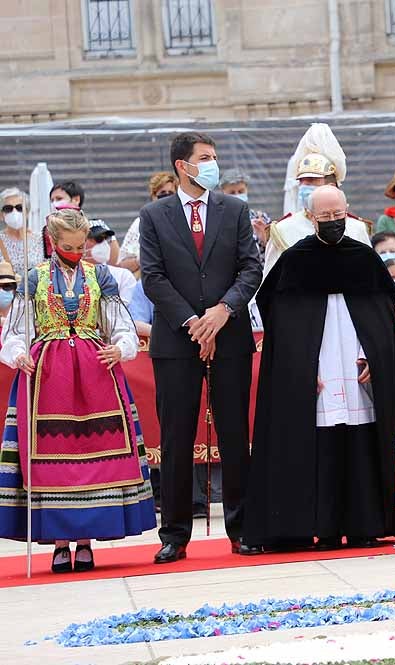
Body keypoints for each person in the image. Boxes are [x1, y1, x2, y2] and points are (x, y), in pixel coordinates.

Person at [245, 185, 395, 552]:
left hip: (357, 365)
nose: (331, 222)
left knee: (363, 441)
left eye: (337, 215)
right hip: (319, 368)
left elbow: (382, 318)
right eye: (324, 217)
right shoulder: (294, 261)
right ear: (311, 218)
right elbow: (283, 324)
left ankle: (366, 524)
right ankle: (320, 527)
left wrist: (373, 353)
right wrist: (300, 367)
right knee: (319, 445)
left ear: (348, 212)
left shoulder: (363, 258)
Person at [0, 208, 155, 572]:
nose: (76, 251)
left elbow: (120, 324)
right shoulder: (33, 279)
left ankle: (85, 541)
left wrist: (120, 347)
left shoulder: (100, 276)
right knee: (51, 459)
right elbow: (15, 331)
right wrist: (20, 354)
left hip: (95, 370)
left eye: (80, 245)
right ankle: (57, 542)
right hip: (46, 375)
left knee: (95, 452)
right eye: (68, 246)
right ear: (53, 242)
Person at [139, 131, 263, 563]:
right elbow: (152, 277)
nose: (212, 164)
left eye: (214, 157)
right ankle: (174, 534)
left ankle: (242, 528)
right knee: (176, 436)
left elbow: (251, 267)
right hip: (177, 339)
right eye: (205, 158)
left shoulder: (235, 210)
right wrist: (193, 322)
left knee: (234, 434)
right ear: (182, 165)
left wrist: (222, 312)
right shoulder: (155, 215)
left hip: (229, 333)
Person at [264, 153, 369, 277]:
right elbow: (270, 280)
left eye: (312, 181)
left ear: (331, 186)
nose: (304, 187)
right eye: (302, 182)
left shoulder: (356, 228)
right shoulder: (282, 230)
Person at [119, 172, 178, 274]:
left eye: (171, 193)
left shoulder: (184, 221)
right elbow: (124, 265)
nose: (166, 198)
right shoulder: (140, 223)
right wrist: (142, 259)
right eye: (162, 193)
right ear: (153, 196)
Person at [50, 182, 120, 265]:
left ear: (76, 199)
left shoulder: (95, 224)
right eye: (52, 200)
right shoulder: (49, 228)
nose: (54, 204)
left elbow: (113, 253)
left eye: (59, 199)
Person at [221, 169, 270, 264]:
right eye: (232, 192)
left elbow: (275, 253)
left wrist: (264, 238)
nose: (237, 195)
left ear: (247, 190)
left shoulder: (261, 218)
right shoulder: (217, 220)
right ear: (223, 193)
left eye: (241, 191)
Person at [85, 219, 137, 305]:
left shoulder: (123, 276)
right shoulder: (71, 276)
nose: (104, 243)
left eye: (107, 239)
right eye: (98, 239)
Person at [0, 187, 44, 274]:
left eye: (19, 208)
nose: (14, 212)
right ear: (1, 215)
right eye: (8, 208)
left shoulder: (40, 239)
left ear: (27, 213)